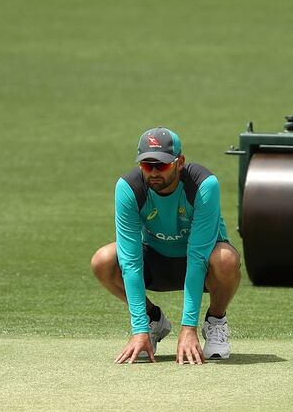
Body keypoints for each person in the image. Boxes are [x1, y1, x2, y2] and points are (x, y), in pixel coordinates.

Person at [91, 127, 241, 365]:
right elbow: (130, 262)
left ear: (179, 162)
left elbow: (198, 255)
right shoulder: (128, 188)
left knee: (226, 259)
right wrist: (139, 328)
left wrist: (188, 327)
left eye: (161, 165)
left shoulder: (204, 185)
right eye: (146, 165)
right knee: (103, 260)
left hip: (204, 266)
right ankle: (153, 321)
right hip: (157, 261)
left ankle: (215, 320)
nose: (152, 173)